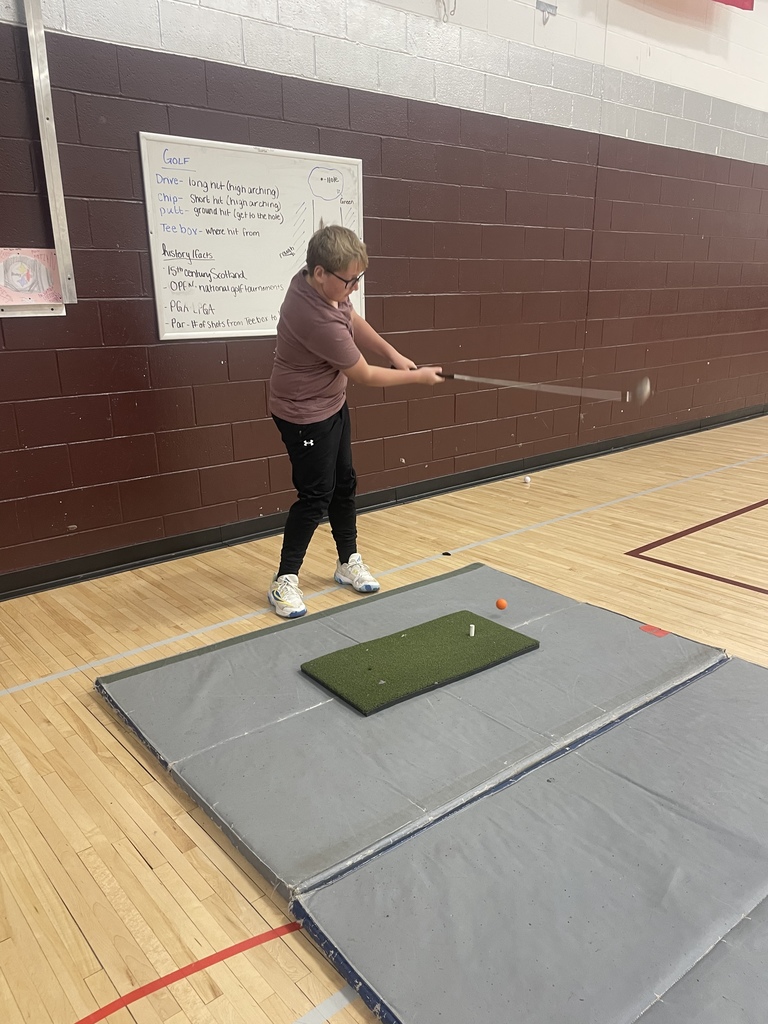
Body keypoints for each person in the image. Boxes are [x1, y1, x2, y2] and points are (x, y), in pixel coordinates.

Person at [267, 225, 443, 618]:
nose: (354, 288)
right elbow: (365, 375)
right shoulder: (313, 317)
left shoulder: (325, 291)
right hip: (302, 414)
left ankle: (347, 562)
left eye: (358, 278)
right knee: (316, 495)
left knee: (344, 482)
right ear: (320, 274)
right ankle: (284, 580)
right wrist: (417, 376)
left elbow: (353, 319)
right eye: (349, 281)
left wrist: (394, 353)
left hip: (330, 402)